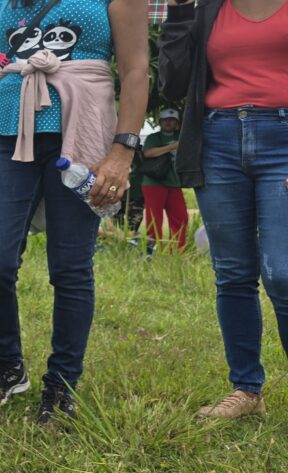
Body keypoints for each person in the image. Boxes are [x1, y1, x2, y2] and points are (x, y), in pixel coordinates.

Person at [0, 0, 148, 423]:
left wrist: (123, 150)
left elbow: (136, 70)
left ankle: (61, 383)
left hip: (81, 133)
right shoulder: (5, 3)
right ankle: (8, 366)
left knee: (70, 267)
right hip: (5, 132)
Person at [159, 0, 288, 419]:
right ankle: (247, 391)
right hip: (217, 140)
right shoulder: (205, 10)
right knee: (232, 273)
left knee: (283, 273)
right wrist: (178, 15)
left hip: (282, 139)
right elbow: (171, 85)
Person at [141, 108, 188, 252]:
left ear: (177, 123)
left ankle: (177, 250)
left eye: (172, 120)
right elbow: (148, 153)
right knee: (154, 218)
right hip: (154, 182)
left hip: (175, 183)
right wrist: (173, 146)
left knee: (181, 217)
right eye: (165, 120)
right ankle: (153, 250)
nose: (168, 122)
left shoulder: (183, 135)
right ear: (160, 122)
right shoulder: (154, 137)